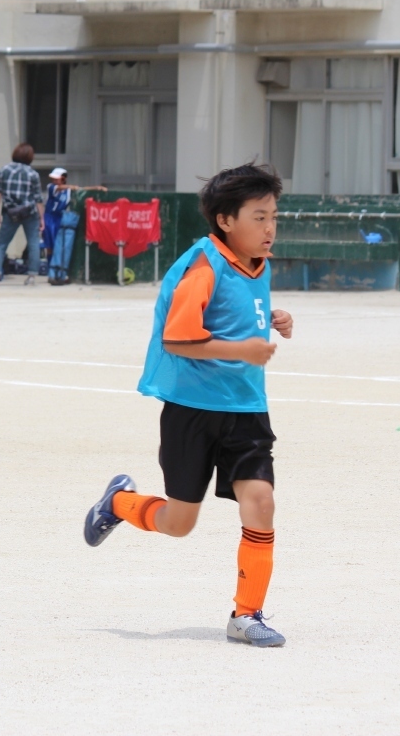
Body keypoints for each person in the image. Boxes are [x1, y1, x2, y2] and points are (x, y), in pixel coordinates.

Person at [82, 163, 295, 648]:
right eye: (259, 217)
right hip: (192, 411)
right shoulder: (202, 266)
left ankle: (246, 615)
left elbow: (236, 309)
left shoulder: (256, 263)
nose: (270, 229)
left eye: (274, 217)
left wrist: (273, 317)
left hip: (246, 408)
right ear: (226, 220)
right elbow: (177, 338)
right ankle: (118, 503)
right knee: (179, 524)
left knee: (261, 503)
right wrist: (243, 349)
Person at [0, 143, 44, 286]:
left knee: (1, 243)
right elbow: (38, 198)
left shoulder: (4, 170)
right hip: (29, 212)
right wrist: (42, 218)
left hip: (10, 212)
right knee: (33, 243)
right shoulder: (33, 174)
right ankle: (32, 276)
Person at [43, 168, 105, 286]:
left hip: (60, 218)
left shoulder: (68, 191)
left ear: (64, 178)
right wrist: (72, 187)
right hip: (49, 217)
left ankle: (58, 272)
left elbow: (81, 189)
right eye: (53, 178)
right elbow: (62, 188)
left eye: (57, 178)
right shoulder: (51, 187)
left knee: (59, 245)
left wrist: (96, 188)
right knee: (50, 246)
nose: (54, 180)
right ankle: (51, 272)